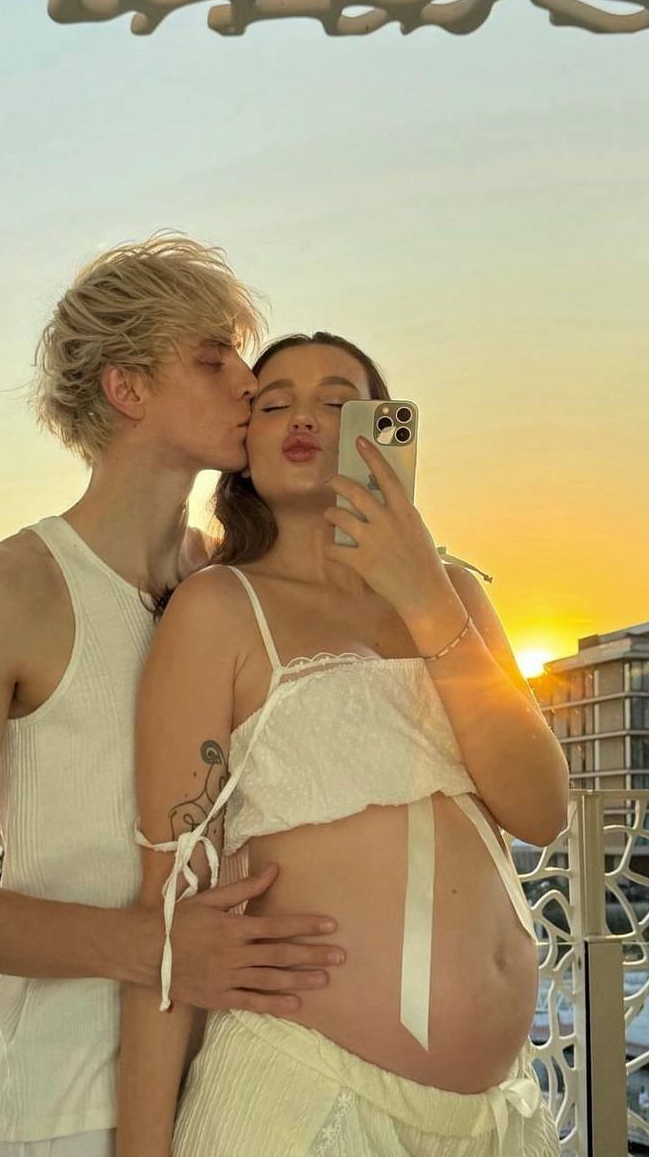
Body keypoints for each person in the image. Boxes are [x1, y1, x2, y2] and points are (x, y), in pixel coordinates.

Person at [0, 240, 347, 1156]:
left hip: (260, 1089)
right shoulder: (0, 598)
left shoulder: (239, 585)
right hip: (71, 1112)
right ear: (126, 388)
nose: (249, 382)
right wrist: (158, 947)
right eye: (212, 359)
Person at [120, 332, 570, 1156]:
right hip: (304, 1099)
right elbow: (172, 911)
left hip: (499, 1119)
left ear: (382, 433)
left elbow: (540, 810)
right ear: (246, 449)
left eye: (336, 402)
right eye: (275, 402)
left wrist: (423, 594)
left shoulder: (454, 594)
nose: (304, 417)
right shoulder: (218, 608)